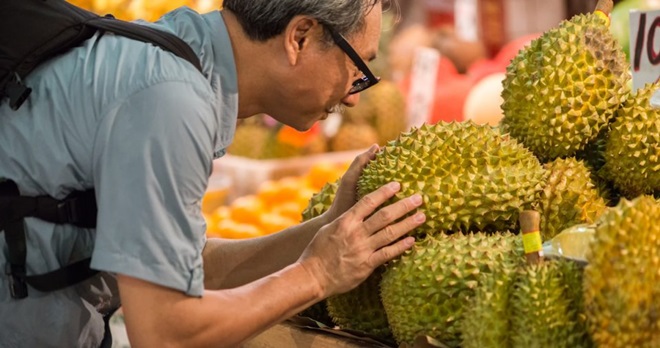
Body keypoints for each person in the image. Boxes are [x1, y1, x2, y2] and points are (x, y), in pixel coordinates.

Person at [0, 0, 426, 347]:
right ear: (300, 36)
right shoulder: (171, 99)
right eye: (359, 70)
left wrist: (328, 229)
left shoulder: (179, 49)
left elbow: (186, 266)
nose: (354, 98)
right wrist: (317, 275)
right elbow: (165, 332)